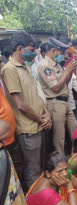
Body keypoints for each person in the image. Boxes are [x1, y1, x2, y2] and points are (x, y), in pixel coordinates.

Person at [1, 31, 52, 190]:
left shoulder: (25, 66)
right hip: (28, 129)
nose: (34, 52)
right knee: (32, 170)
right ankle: (34, 201)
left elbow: (35, 95)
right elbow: (20, 104)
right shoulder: (10, 69)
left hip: (38, 124)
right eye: (31, 49)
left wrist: (47, 114)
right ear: (20, 48)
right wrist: (41, 119)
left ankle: (42, 197)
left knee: (41, 165)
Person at [38, 38, 77, 155]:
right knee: (59, 137)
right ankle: (60, 163)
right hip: (55, 103)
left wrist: (70, 70)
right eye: (59, 53)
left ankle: (76, 156)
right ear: (52, 51)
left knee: (76, 131)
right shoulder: (45, 66)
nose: (60, 55)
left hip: (65, 102)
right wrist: (67, 71)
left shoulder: (56, 65)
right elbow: (55, 87)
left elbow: (66, 82)